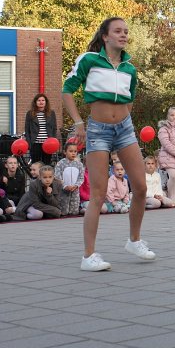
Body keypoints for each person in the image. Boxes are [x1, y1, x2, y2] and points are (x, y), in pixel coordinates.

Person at [62, 16, 156, 272]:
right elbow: (67, 90)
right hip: (98, 130)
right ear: (105, 36)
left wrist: (124, 120)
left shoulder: (129, 68)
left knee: (140, 186)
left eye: (126, 31)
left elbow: (130, 100)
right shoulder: (89, 60)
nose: (123, 35)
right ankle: (88, 255)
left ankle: (134, 240)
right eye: (118, 31)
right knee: (98, 194)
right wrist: (79, 123)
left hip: (125, 129)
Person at [23, 94, 58, 164]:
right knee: (35, 164)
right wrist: (30, 143)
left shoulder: (51, 113)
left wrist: (53, 140)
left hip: (48, 143)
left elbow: (54, 128)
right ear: (35, 102)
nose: (41, 102)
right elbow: (27, 130)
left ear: (46, 102)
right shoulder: (30, 114)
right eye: (39, 100)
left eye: (43, 100)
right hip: (35, 143)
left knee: (47, 163)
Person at [54, 142, 85, 216]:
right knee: (63, 211)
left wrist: (76, 185)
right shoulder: (60, 164)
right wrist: (65, 185)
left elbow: (81, 177)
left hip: (75, 190)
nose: (73, 153)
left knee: (74, 212)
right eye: (71, 151)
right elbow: (57, 177)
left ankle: (79, 210)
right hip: (63, 191)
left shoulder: (79, 164)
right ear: (65, 152)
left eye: (75, 151)